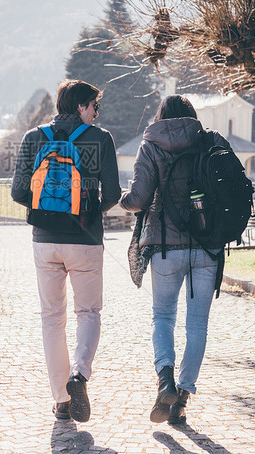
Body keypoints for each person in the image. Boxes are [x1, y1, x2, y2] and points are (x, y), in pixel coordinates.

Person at [11, 79, 121, 423]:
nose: (96, 113)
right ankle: (79, 375)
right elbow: (114, 194)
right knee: (88, 311)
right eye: (94, 106)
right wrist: (85, 212)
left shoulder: (34, 137)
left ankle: (61, 400)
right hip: (85, 240)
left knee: (51, 318)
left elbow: (17, 192)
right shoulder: (101, 139)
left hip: (45, 240)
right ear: (80, 106)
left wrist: (49, 208)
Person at [119, 94, 230, 425]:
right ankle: (181, 399)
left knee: (163, 317)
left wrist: (122, 199)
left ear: (161, 115)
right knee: (197, 324)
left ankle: (164, 379)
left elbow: (138, 199)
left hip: (166, 247)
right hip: (207, 245)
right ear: (191, 115)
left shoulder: (151, 144)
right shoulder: (207, 141)